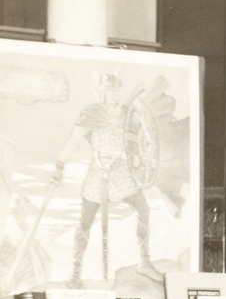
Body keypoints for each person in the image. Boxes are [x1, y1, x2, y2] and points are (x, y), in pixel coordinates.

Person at [52, 69, 157, 286]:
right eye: (105, 88)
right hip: (99, 171)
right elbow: (74, 140)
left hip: (123, 172)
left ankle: (144, 262)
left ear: (119, 89)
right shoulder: (91, 113)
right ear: (98, 90)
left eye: (114, 88)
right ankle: (75, 273)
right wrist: (59, 165)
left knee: (143, 209)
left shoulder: (129, 112)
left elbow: (143, 141)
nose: (110, 92)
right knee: (85, 222)